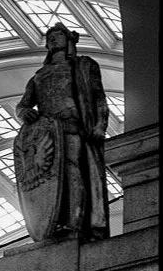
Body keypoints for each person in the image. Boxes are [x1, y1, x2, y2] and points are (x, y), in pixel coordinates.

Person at [13, 22, 110, 241]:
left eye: (58, 35)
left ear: (69, 41)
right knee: (53, 178)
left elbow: (98, 98)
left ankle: (74, 222)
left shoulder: (83, 66)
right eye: (50, 38)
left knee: (73, 171)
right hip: (48, 133)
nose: (53, 39)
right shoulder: (38, 76)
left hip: (73, 127)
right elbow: (23, 105)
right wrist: (24, 112)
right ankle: (53, 221)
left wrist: (100, 125)